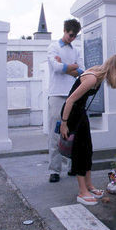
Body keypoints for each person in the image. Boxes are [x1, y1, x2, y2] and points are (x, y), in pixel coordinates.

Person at [60, 54, 116, 205]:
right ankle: (82, 191)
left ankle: (89, 185)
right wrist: (64, 123)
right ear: (115, 69)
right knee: (80, 152)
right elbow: (70, 100)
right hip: (72, 114)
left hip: (80, 112)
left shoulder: (99, 74)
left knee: (88, 150)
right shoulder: (93, 78)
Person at [46, 19, 84, 183]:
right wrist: (72, 67)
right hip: (56, 95)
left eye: (75, 36)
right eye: (70, 35)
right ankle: (54, 170)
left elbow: (81, 72)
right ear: (64, 30)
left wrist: (66, 67)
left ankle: (71, 167)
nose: (72, 38)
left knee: (72, 132)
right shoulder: (53, 47)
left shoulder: (76, 49)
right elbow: (56, 68)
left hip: (72, 94)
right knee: (56, 133)